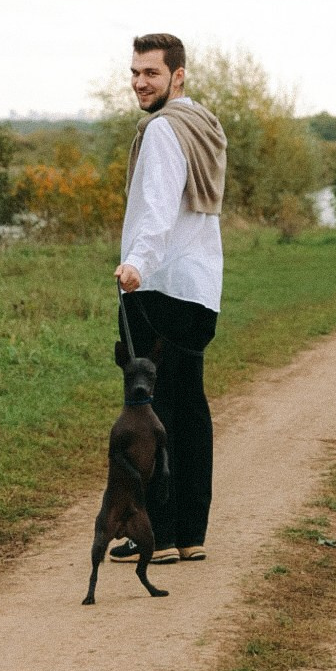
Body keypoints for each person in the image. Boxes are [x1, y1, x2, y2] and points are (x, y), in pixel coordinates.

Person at [110, 33, 227, 564]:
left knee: (152, 414)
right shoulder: (204, 125)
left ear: (177, 76)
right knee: (189, 408)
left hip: (158, 287)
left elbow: (156, 209)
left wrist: (137, 262)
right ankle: (189, 533)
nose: (140, 82)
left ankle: (153, 533)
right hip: (200, 289)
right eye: (135, 72)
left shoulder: (162, 130)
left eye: (151, 73)